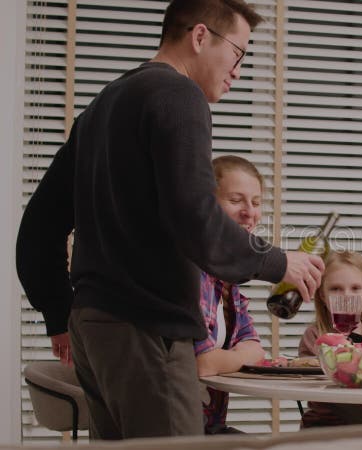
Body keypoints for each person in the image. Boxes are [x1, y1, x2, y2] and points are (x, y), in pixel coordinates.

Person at [15, 0, 324, 440]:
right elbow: (197, 220)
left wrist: (59, 312)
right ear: (200, 37)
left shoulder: (100, 108)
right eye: (238, 54)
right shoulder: (179, 96)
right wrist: (279, 263)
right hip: (147, 331)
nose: (239, 70)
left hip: (95, 330)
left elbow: (38, 228)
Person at [193, 155, 268, 435]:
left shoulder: (228, 282)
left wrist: (231, 356)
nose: (250, 212)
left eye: (256, 202)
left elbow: (256, 348)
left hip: (209, 427)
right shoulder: (195, 273)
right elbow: (203, 364)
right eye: (236, 200)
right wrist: (239, 355)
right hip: (179, 433)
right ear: (208, 206)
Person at [297, 251, 362, 428]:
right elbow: (313, 391)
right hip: (323, 428)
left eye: (355, 288)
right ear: (322, 295)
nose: (346, 296)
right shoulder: (315, 337)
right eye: (336, 289)